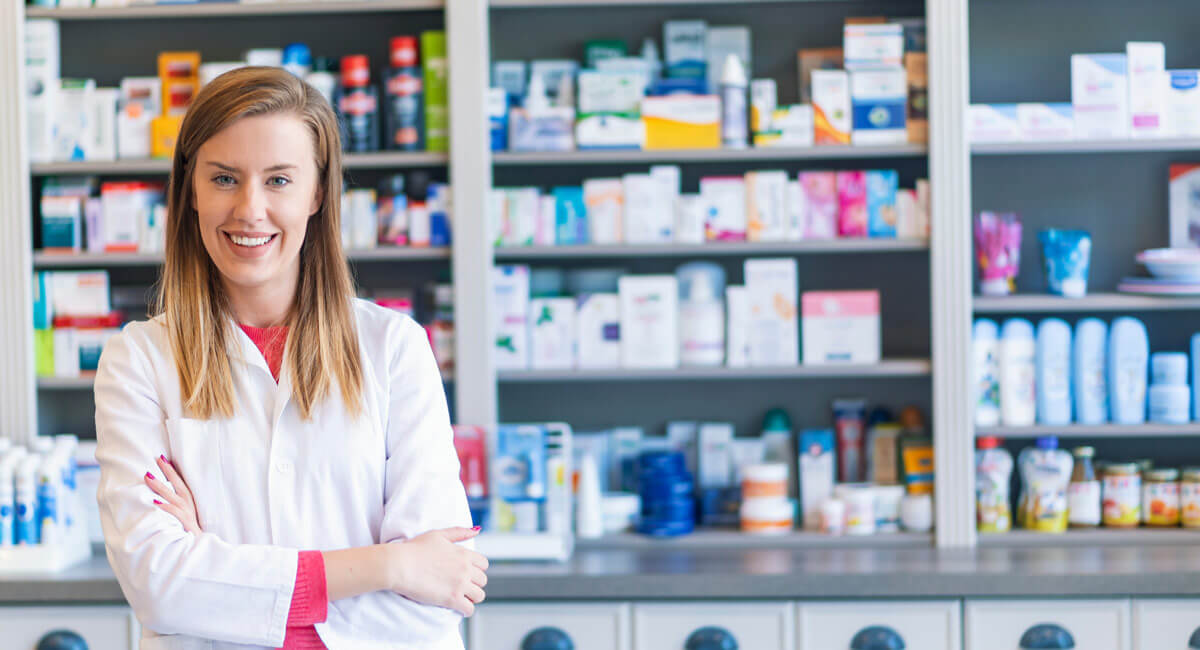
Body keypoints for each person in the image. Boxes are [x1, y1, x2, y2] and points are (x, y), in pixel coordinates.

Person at [93, 66, 486, 649]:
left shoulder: (393, 348)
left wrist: (219, 574)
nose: (250, 209)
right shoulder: (139, 361)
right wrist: (389, 566)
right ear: (191, 190)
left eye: (278, 180)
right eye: (224, 178)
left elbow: (438, 594)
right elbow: (159, 586)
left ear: (318, 192)